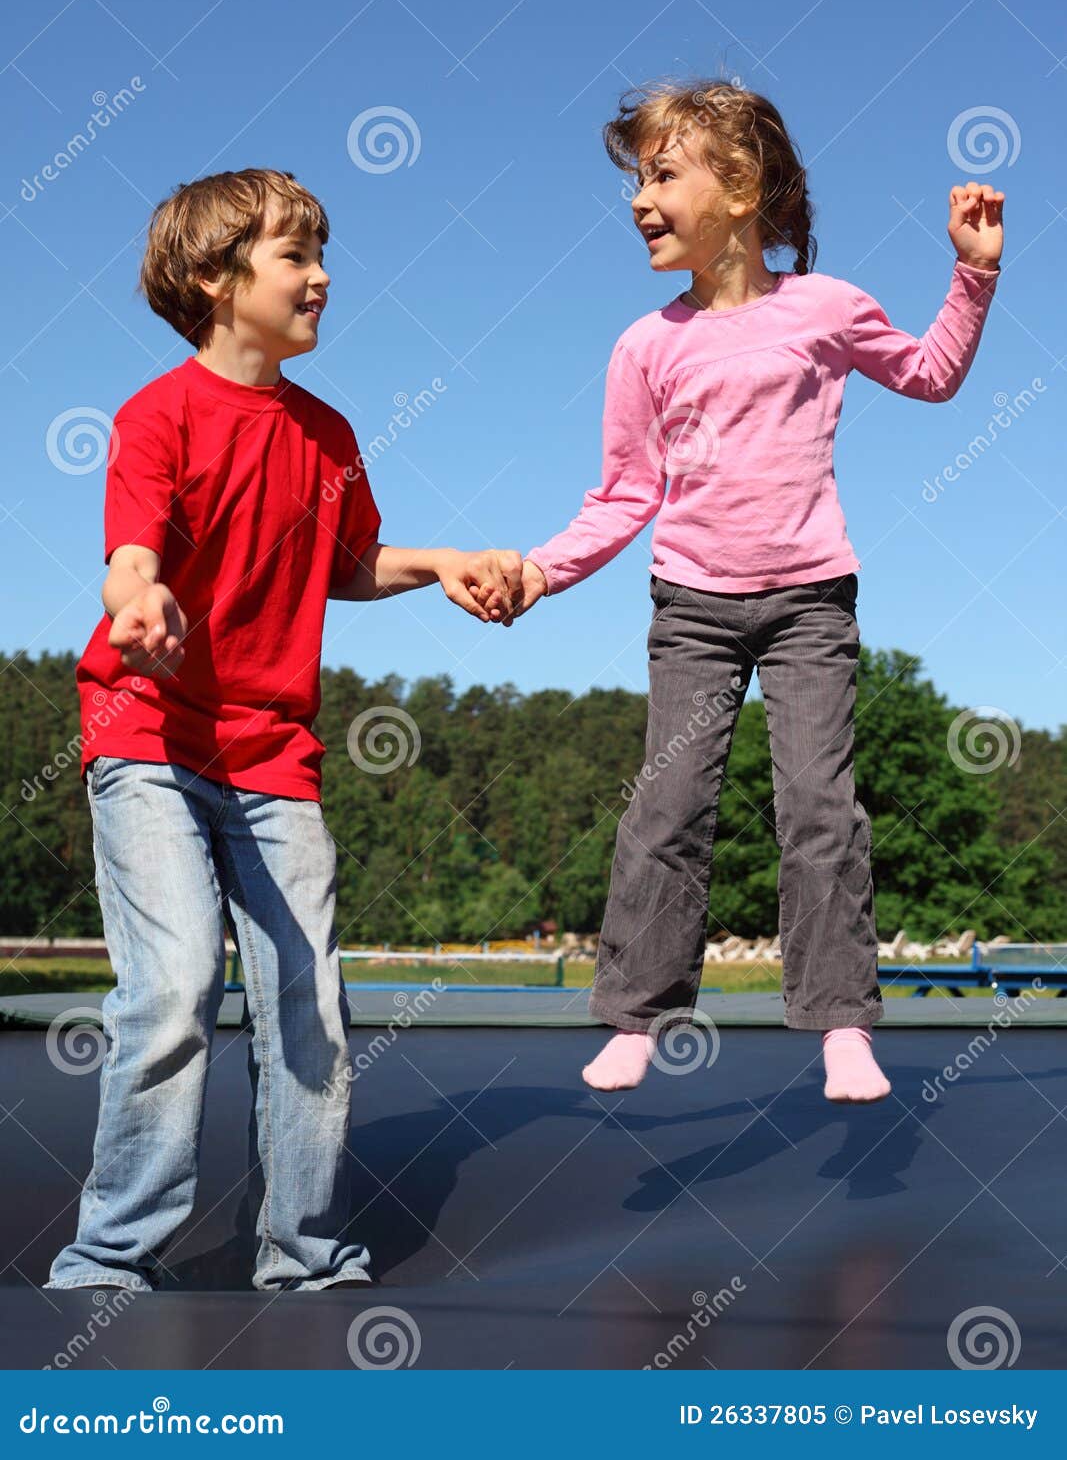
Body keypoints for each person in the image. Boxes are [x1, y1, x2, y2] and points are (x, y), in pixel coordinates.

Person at [478, 78, 1003, 1100]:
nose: (638, 200)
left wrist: (970, 275)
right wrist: (542, 570)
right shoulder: (645, 346)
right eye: (637, 179)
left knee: (817, 806)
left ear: (740, 185)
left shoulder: (825, 308)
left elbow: (931, 375)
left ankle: (839, 1018)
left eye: (661, 175)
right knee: (667, 805)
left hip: (809, 598)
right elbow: (622, 494)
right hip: (692, 606)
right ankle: (637, 1009)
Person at [45, 167, 521, 1294]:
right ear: (214, 279)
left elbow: (348, 564)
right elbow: (133, 548)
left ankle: (303, 1252)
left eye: (319, 252)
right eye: (294, 255)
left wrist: (442, 561)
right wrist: (137, 597)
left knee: (307, 1001)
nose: (321, 274)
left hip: (272, 754)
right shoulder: (156, 415)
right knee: (169, 990)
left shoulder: (328, 433)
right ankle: (110, 1256)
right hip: (148, 735)